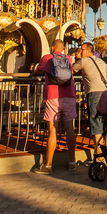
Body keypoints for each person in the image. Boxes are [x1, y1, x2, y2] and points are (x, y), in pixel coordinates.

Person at [33, 39, 77, 173]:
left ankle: (48, 165)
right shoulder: (68, 59)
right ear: (63, 49)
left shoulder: (47, 58)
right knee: (70, 129)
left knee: (53, 130)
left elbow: (38, 71)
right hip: (69, 95)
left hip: (53, 96)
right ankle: (72, 162)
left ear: (52, 47)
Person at [72, 41, 107, 153]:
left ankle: (99, 155)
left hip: (94, 93)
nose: (80, 52)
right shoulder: (100, 61)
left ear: (88, 51)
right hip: (105, 92)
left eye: (82, 50)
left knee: (96, 124)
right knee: (106, 123)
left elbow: (73, 69)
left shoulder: (83, 61)